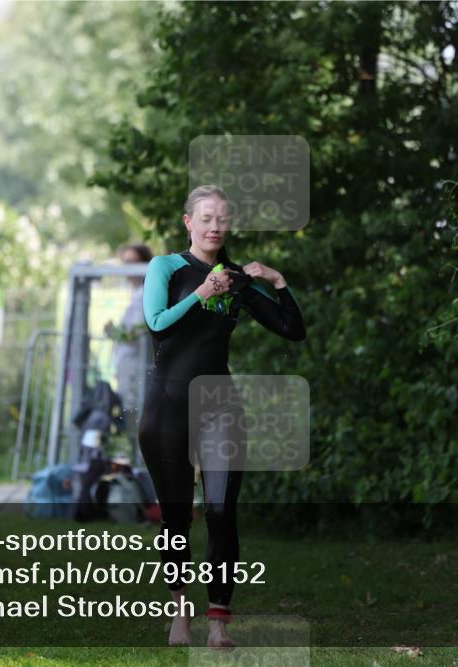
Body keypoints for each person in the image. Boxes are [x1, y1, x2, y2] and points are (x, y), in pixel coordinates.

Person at [137, 184, 306, 649]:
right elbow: (156, 322)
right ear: (188, 221)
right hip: (167, 406)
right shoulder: (167, 267)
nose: (215, 226)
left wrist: (276, 282)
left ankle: (218, 624)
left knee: (221, 512)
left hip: (220, 407)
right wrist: (201, 293)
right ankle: (179, 612)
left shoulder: (236, 279)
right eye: (206, 217)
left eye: (223, 219)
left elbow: (292, 330)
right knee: (176, 518)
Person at [105, 243, 153, 445]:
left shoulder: (146, 294)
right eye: (125, 263)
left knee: (135, 414)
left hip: (138, 369)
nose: (128, 268)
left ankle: (138, 459)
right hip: (127, 368)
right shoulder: (136, 294)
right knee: (130, 413)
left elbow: (139, 335)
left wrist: (113, 332)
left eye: (133, 263)